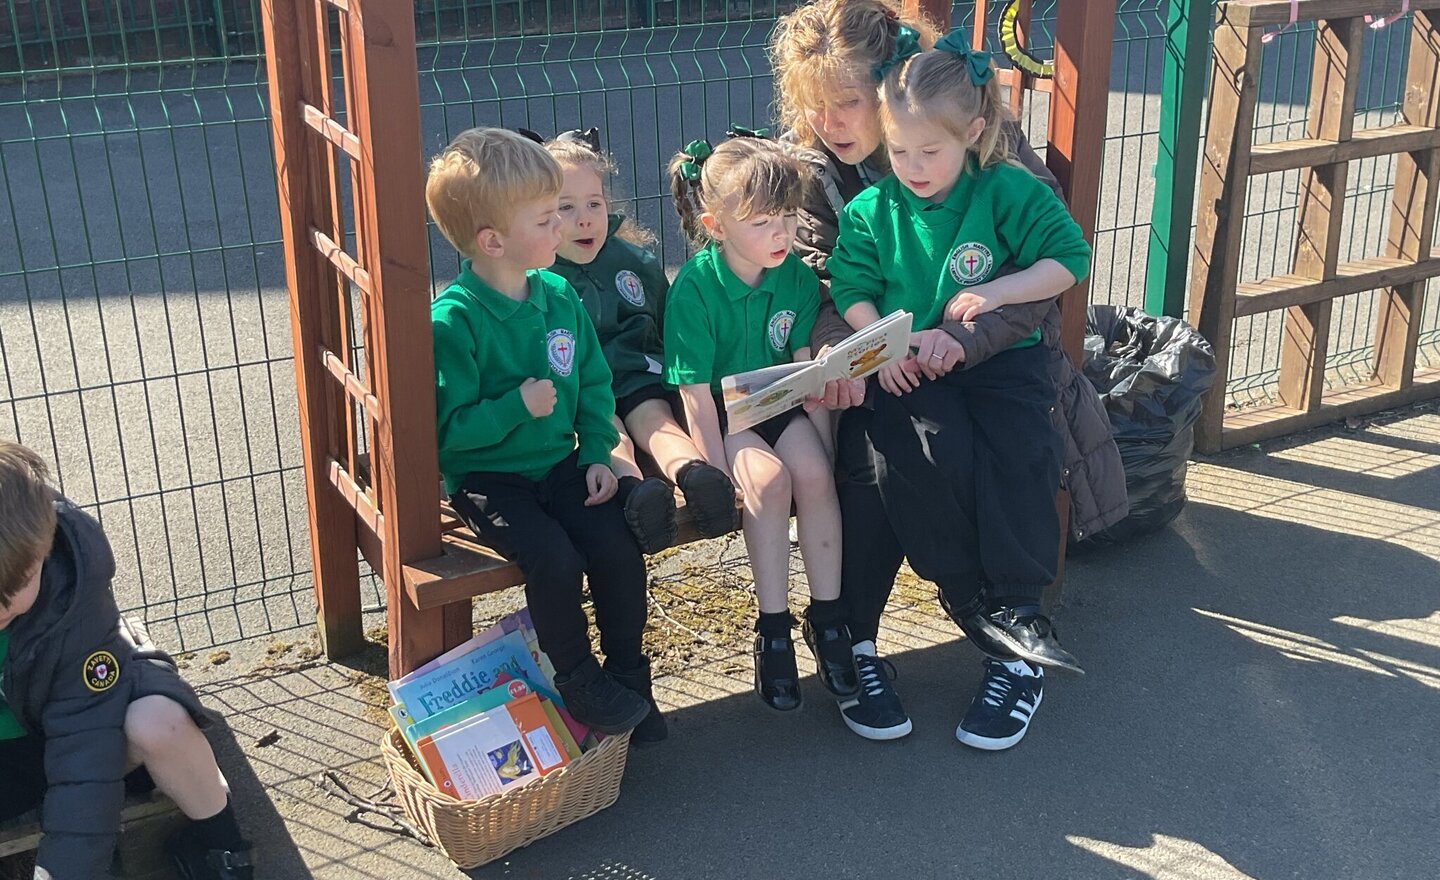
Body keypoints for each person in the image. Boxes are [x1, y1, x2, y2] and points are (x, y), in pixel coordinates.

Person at [768, 0, 1126, 744]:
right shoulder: (820, 180)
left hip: (995, 358)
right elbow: (822, 286)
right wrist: (861, 354)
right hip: (882, 365)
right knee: (875, 461)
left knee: (1009, 453)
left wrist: (965, 338)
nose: (830, 122)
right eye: (814, 106)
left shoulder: (981, 142)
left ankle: (1014, 632)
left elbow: (1038, 277)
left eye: (847, 102)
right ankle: (861, 642)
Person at [425, 128, 665, 743]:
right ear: (493, 240)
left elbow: (592, 384)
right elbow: (447, 438)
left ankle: (630, 676)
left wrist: (596, 453)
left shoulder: (558, 294)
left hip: (560, 464)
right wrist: (515, 407)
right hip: (491, 480)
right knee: (554, 558)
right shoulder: (454, 321)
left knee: (614, 545)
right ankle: (578, 678)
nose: (562, 227)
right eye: (547, 218)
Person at [662, 133, 856, 711]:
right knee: (768, 484)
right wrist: (716, 474)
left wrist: (825, 449)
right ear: (716, 225)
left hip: (780, 405)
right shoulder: (695, 287)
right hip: (730, 418)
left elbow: (802, 370)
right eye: (762, 221)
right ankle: (772, 630)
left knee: (816, 480)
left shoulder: (794, 275)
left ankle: (829, 621)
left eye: (789, 217)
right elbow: (695, 392)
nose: (781, 233)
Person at [0, 441, 254, 879]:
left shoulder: (72, 596)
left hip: (83, 721)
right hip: (12, 757)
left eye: (17, 585)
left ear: (44, 549)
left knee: (159, 718)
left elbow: (85, 742)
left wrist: (66, 871)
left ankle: (223, 848)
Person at [533, 126, 740, 553]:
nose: (585, 218)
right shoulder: (537, 275)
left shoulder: (633, 261)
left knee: (655, 419)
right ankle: (637, 489)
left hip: (635, 376)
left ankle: (694, 474)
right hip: (578, 395)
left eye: (594, 203)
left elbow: (665, 323)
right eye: (566, 208)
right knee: (610, 432)